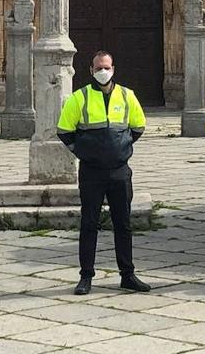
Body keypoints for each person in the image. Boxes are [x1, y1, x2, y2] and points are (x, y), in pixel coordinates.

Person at [57, 51, 151, 295]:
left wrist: (121, 148)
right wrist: (85, 152)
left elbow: (138, 127)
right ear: (91, 70)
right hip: (92, 171)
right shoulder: (79, 98)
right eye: (99, 67)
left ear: (113, 68)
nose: (103, 71)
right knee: (89, 224)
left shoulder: (127, 95)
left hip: (120, 170)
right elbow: (64, 131)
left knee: (124, 224)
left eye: (106, 67)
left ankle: (127, 275)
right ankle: (86, 276)